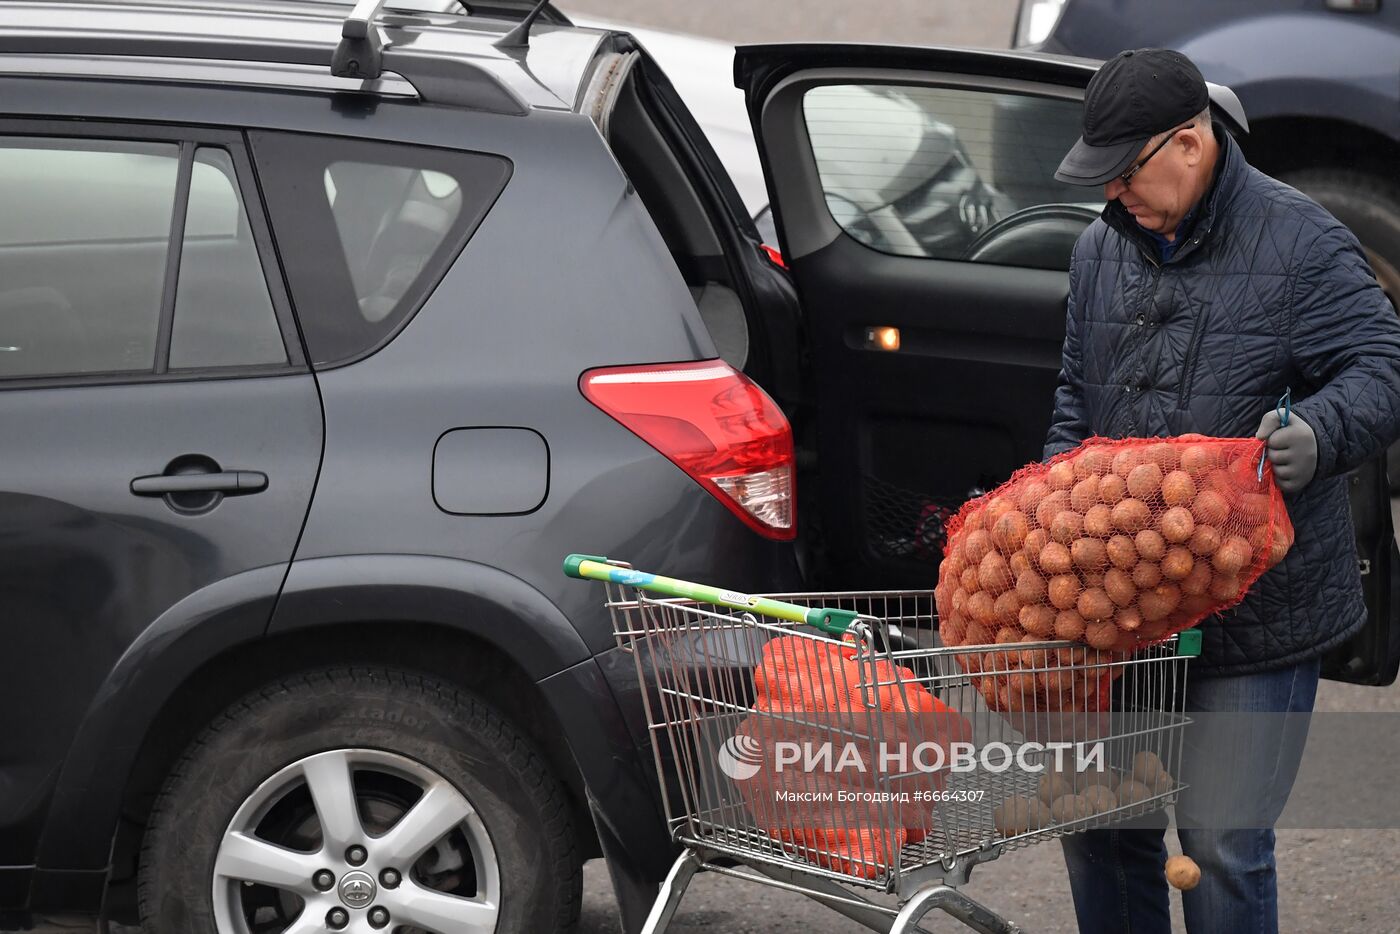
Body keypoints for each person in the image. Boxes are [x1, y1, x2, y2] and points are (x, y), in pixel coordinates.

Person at [1045, 48, 1400, 933]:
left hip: (1260, 608)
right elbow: (1072, 399)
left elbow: (1384, 368)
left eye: (1125, 171)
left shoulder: (1303, 241)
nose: (1112, 194)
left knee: (1220, 844)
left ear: (1191, 144)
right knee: (1100, 824)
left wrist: (1319, 436)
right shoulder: (1099, 251)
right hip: (1121, 607)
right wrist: (1048, 510)